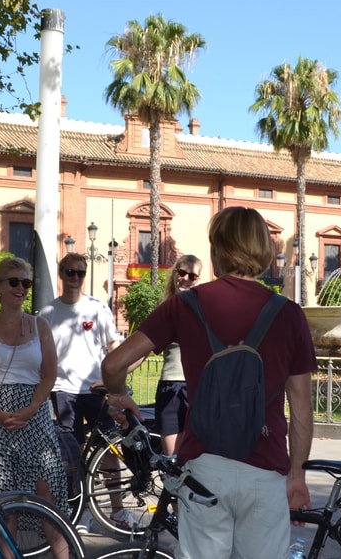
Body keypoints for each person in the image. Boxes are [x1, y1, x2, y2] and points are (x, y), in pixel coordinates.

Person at [101, 206, 316, 559]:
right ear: (262, 250)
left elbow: (113, 363)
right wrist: (297, 475)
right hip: (266, 468)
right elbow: (303, 411)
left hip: (204, 468)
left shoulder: (185, 305)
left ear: (217, 249)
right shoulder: (289, 313)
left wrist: (119, 393)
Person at [0, 257, 70, 558]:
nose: (21, 287)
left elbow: (49, 374)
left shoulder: (40, 325)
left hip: (32, 415)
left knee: (46, 492)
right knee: (0, 500)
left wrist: (32, 407)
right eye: (14, 281)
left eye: (26, 282)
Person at [39, 252, 127, 529]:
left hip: (95, 389)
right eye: (70, 272)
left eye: (80, 272)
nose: (75, 278)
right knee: (72, 456)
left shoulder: (98, 309)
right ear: (61, 274)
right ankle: (81, 511)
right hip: (64, 391)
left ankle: (117, 509)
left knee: (110, 450)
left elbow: (114, 349)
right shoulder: (48, 314)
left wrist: (117, 387)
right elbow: (41, 356)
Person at [155, 254, 201, 455]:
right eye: (182, 273)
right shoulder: (164, 309)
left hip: (197, 387)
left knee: (193, 459)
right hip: (170, 385)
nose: (186, 278)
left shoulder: (203, 309)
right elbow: (143, 346)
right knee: (171, 460)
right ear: (174, 274)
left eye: (192, 276)